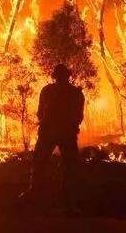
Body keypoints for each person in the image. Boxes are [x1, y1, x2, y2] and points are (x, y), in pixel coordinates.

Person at [30, 63, 84, 210]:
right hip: (65, 133)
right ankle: (69, 195)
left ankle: (36, 192)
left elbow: (40, 112)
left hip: (50, 132)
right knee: (70, 165)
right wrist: (72, 126)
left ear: (55, 76)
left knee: (40, 162)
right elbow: (79, 115)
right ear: (68, 76)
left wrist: (44, 123)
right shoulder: (75, 93)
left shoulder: (47, 90)